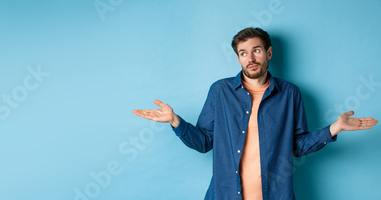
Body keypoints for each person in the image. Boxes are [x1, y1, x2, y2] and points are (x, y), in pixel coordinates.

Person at [132, 27, 378, 200]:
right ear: (238, 58)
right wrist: (175, 122)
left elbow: (298, 145)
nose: (250, 58)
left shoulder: (290, 93)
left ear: (269, 53)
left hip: (276, 194)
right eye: (243, 53)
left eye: (256, 50)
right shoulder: (220, 91)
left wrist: (334, 128)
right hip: (226, 194)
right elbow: (204, 142)